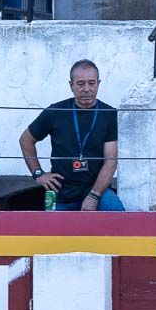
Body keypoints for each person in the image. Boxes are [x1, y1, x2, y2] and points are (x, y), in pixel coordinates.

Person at [19, 59, 124, 212]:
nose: (87, 89)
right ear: (71, 85)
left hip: (97, 190)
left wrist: (94, 196)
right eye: (81, 84)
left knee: (117, 212)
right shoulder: (55, 112)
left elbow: (111, 162)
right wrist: (38, 173)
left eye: (92, 83)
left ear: (98, 84)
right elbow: (26, 140)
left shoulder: (109, 114)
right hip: (58, 192)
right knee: (52, 233)